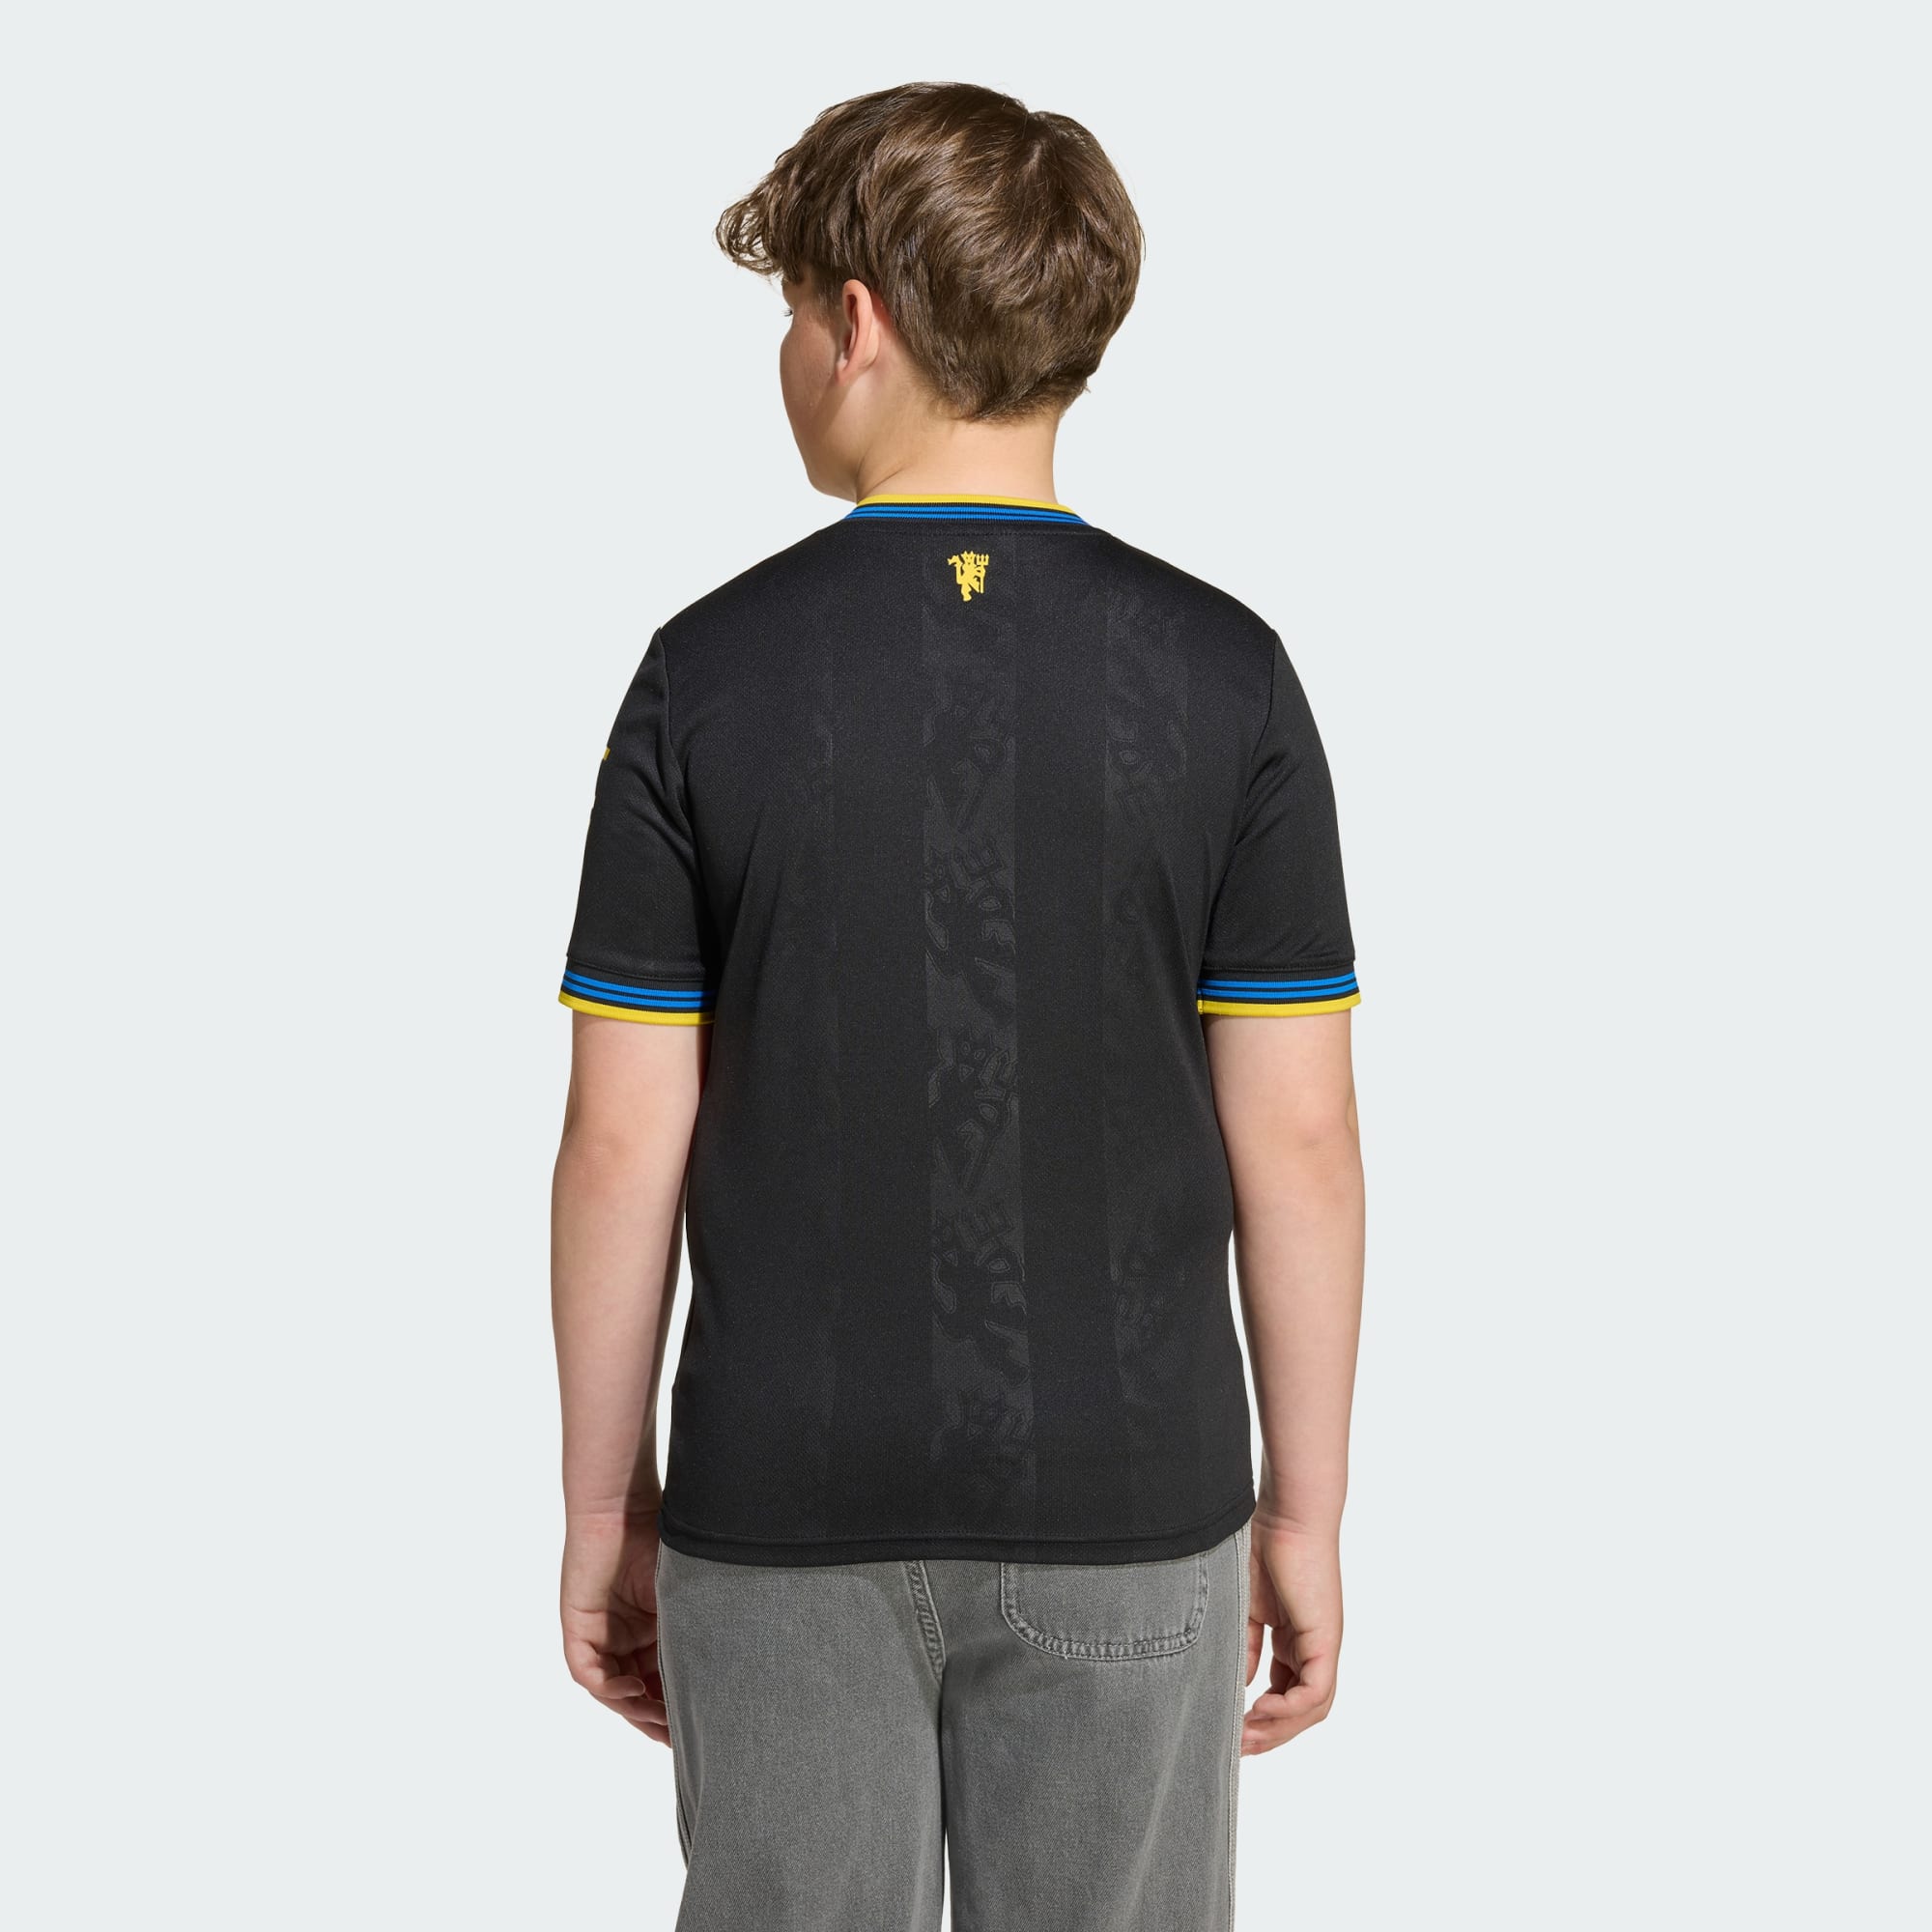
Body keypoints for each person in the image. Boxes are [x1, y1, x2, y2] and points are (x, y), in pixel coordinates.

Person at [551, 81, 1365, 1932]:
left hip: (779, 1497)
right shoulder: (1227, 677)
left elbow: (619, 1139)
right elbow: (1301, 1141)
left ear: (857, 323)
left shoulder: (702, 677)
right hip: (1133, 1489)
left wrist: (609, 1507)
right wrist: (1301, 1511)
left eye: (789, 312)